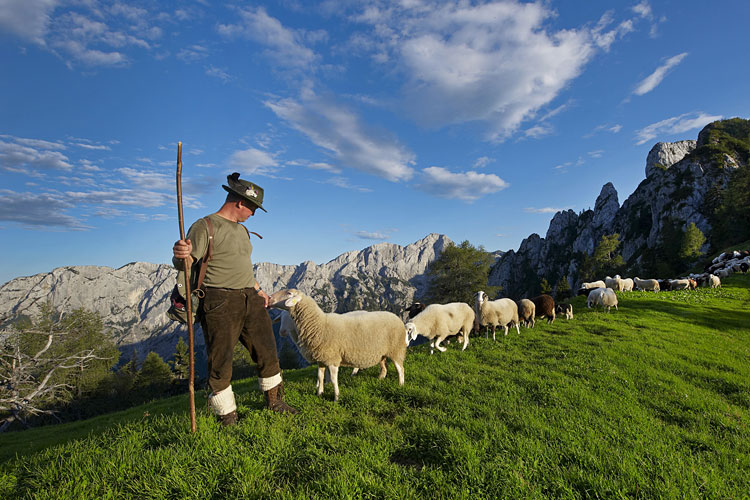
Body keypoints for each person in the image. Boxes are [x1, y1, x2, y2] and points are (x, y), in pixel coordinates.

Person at [172, 172, 298, 425]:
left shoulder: (242, 231)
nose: (254, 213)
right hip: (219, 300)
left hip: (249, 297)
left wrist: (259, 289)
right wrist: (180, 253)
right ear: (240, 202)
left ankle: (275, 401)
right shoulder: (204, 226)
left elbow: (242, 266)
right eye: (253, 208)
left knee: (266, 349)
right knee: (221, 358)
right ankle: (226, 416)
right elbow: (185, 263)